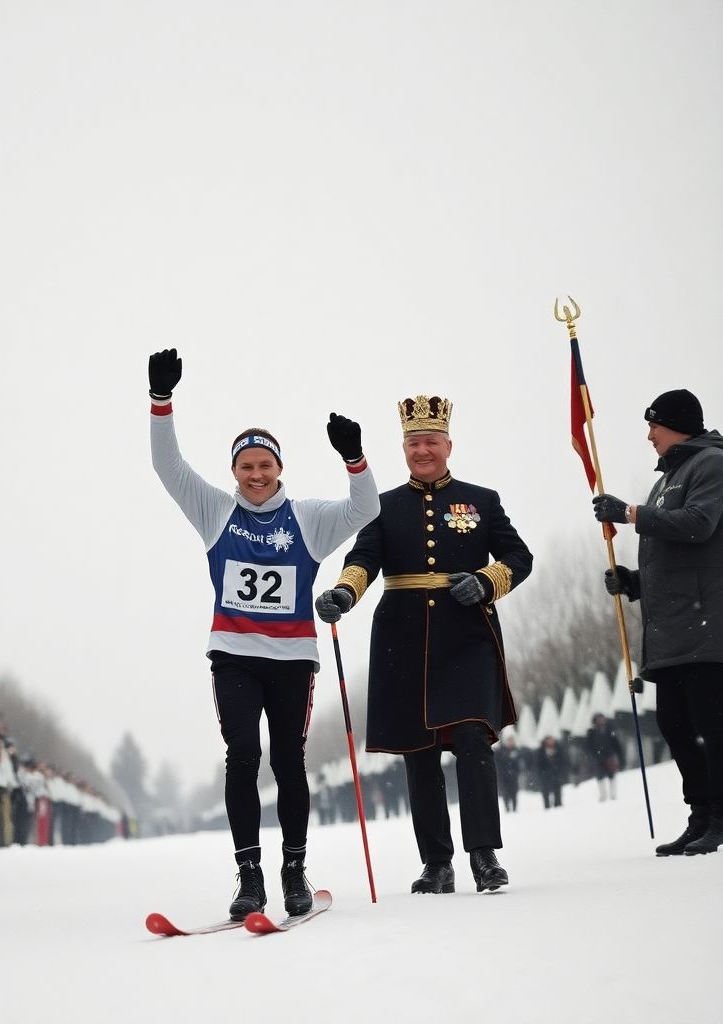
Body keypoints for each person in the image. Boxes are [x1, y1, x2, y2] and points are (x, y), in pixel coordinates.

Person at [148, 347, 379, 919]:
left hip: (293, 659)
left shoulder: (308, 518)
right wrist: (161, 401)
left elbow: (366, 510)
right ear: (233, 473)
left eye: (265, 466)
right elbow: (167, 466)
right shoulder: (214, 511)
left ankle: (294, 870)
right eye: (246, 467)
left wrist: (355, 459)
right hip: (234, 656)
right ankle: (249, 874)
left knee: (290, 761)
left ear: (280, 469)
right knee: (242, 756)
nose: (256, 476)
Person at [315, 394, 532, 895]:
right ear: (404, 447)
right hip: (403, 639)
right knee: (420, 752)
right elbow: (364, 558)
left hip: (468, 635)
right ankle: (437, 863)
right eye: (414, 442)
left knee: (475, 741)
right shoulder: (382, 506)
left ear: (448, 445)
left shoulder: (482, 499)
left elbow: (520, 556)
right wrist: (344, 593)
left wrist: (486, 579)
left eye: (431, 441)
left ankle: (484, 856)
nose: (423, 450)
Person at [594, 388, 723, 855]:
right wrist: (632, 581)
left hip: (706, 628)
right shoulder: (666, 478)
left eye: (654, 425)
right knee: (674, 725)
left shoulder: (711, 464)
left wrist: (630, 514)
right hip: (669, 633)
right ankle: (700, 815)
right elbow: (671, 562)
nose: (649, 435)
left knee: (710, 726)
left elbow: (699, 525)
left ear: (677, 424)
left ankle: (720, 817)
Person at [585, 712, 624, 801]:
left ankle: (613, 794)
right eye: (599, 719)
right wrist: (593, 756)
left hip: (609, 756)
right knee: (600, 776)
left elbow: (616, 744)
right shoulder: (591, 732)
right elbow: (588, 747)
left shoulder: (609, 730)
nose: (601, 721)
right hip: (597, 758)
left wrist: (619, 756)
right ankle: (603, 795)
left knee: (612, 775)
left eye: (602, 718)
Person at [534, 735, 567, 809]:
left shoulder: (559, 749)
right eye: (548, 739)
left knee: (557, 794)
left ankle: (558, 807)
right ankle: (547, 809)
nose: (550, 741)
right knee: (545, 794)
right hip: (545, 776)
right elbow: (538, 765)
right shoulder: (540, 751)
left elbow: (563, 762)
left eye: (552, 739)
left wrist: (560, 773)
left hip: (556, 775)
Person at [495, 734, 523, 813]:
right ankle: (507, 809)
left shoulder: (517, 751)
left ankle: (514, 810)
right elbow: (499, 764)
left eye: (511, 740)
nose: (510, 742)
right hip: (504, 778)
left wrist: (515, 772)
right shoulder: (500, 751)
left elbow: (519, 765)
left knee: (514, 794)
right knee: (506, 794)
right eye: (508, 740)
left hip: (514, 777)